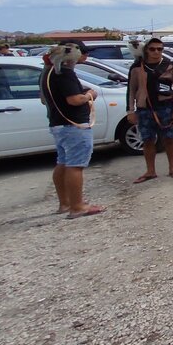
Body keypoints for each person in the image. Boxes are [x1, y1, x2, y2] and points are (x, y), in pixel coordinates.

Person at [40, 42, 105, 219]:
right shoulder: (64, 73)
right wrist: (90, 95)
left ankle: (65, 203)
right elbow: (74, 100)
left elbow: (43, 99)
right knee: (75, 165)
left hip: (58, 124)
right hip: (73, 125)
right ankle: (77, 206)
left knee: (63, 162)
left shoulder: (48, 72)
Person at [127, 38, 173, 183]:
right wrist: (130, 111)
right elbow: (131, 90)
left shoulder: (172, 67)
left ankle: (172, 168)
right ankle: (150, 171)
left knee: (169, 138)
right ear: (146, 50)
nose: (156, 52)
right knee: (147, 140)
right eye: (152, 49)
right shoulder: (137, 68)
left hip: (165, 108)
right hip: (144, 109)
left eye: (160, 49)